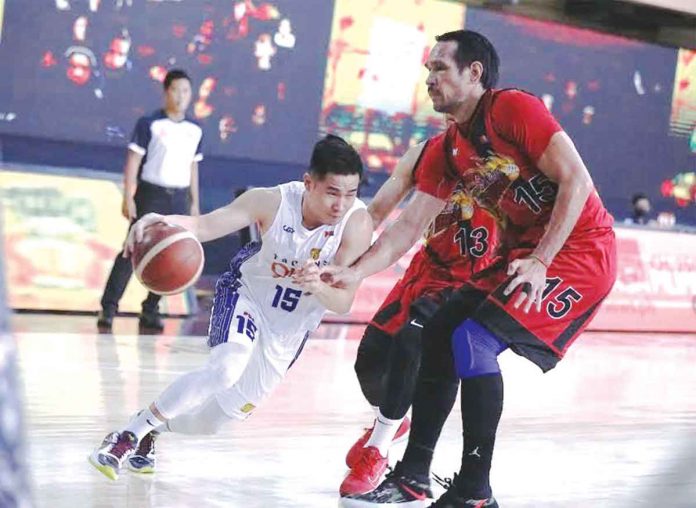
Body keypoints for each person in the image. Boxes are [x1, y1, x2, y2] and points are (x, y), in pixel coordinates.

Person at [332, 30, 617, 507]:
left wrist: (543, 260)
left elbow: (577, 180)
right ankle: (413, 476)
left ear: (475, 73)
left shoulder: (513, 109)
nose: (430, 80)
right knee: (437, 331)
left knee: (473, 338)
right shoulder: (448, 149)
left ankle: (475, 493)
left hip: (579, 252)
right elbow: (407, 229)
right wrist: (355, 272)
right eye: (428, 71)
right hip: (523, 254)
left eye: (440, 68)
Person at [88, 134, 373, 481]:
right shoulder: (271, 202)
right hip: (247, 295)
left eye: (351, 194)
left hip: (288, 330)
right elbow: (206, 225)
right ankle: (127, 434)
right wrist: (158, 218)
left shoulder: (356, 226)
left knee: (214, 422)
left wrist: (318, 286)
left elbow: (343, 303)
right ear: (309, 183)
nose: (340, 205)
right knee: (226, 367)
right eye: (332, 192)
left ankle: (153, 431)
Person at [340, 139, 499, 497]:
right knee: (369, 361)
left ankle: (378, 447)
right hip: (426, 268)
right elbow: (379, 210)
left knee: (413, 341)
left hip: (470, 280)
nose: (434, 84)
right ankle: (391, 422)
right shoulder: (428, 152)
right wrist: (345, 251)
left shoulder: (512, 156)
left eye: (441, 78)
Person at [97, 69, 203, 333]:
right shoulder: (150, 123)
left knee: (170, 253)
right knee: (130, 250)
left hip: (178, 197)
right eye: (176, 90)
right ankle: (109, 308)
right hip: (151, 193)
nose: (181, 97)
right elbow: (132, 161)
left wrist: (194, 203)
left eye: (186, 91)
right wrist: (128, 196)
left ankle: (151, 310)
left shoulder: (195, 130)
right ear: (166, 92)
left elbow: (193, 168)